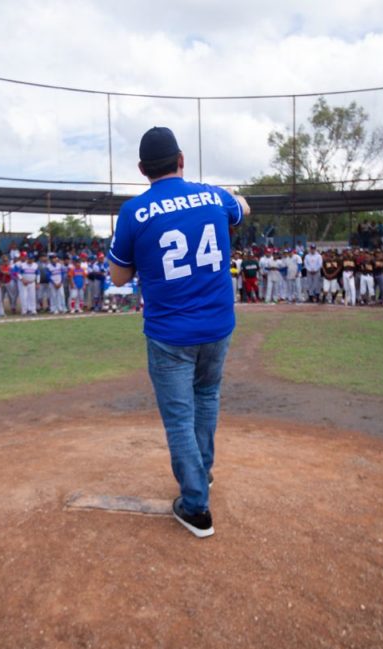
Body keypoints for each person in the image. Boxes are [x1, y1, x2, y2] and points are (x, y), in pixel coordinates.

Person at [108, 126, 250, 538]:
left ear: (142, 169)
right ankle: (202, 474)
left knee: (179, 418)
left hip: (169, 334)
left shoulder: (134, 212)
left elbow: (118, 277)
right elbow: (243, 208)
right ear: (181, 159)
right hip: (218, 326)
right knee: (206, 397)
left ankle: (196, 507)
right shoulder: (213, 196)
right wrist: (234, 198)